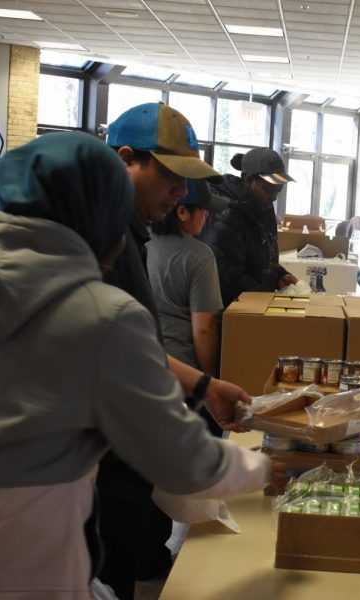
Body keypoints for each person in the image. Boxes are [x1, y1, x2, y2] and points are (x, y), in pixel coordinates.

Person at [0, 132, 280, 599]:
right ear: (100, 218)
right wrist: (265, 468)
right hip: (24, 571)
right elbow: (180, 459)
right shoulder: (102, 313)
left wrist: (200, 385)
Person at [102, 102, 256, 598]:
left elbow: (131, 343)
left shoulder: (134, 234)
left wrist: (204, 386)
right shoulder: (98, 238)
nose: (179, 190)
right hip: (91, 464)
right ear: (127, 159)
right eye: (171, 174)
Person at [148, 180, 227, 377]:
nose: (207, 215)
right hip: (182, 372)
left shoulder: (139, 242)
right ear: (182, 212)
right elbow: (204, 328)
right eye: (204, 209)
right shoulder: (198, 256)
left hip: (142, 361)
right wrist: (209, 382)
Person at [202, 148, 297, 305]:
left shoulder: (263, 206)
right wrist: (269, 300)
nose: (273, 197)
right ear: (248, 180)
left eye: (278, 191)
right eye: (268, 190)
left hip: (256, 304)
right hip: (234, 311)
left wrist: (279, 275)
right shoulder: (224, 215)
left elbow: (261, 256)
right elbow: (229, 278)